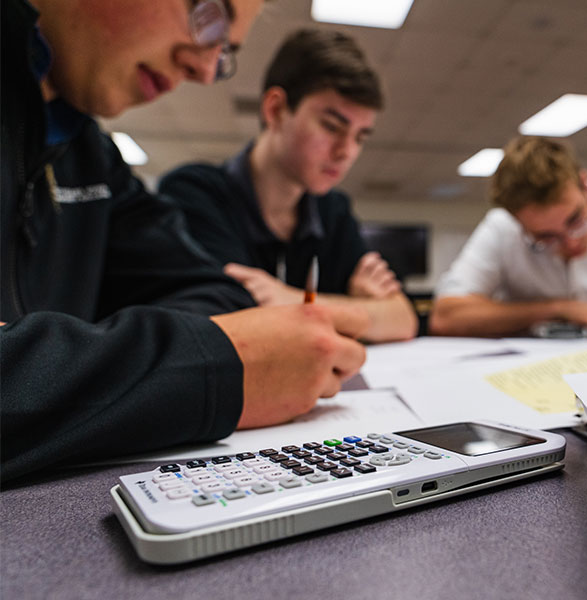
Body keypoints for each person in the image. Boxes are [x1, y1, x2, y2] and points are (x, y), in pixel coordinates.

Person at [0, 0, 370, 483]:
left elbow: (216, 294)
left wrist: (69, 366)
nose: (202, 66)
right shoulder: (194, 186)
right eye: (208, 11)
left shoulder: (90, 154)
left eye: (225, 51)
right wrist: (218, 366)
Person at [159, 29, 418, 343]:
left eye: (360, 137)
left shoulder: (333, 211)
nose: (346, 151)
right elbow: (225, 324)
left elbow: (403, 319)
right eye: (332, 126)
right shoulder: (193, 193)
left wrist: (287, 297)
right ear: (276, 109)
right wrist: (360, 311)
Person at [429, 136, 587, 338]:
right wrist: (557, 309)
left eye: (575, 220)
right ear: (516, 220)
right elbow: (445, 317)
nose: (571, 242)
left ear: (584, 184)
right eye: (545, 237)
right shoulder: (503, 227)